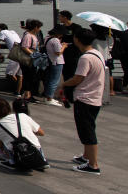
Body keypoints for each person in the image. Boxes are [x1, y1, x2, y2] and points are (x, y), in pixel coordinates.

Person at [59, 27, 105, 175]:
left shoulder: (85, 58)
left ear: (77, 39)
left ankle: (93, 165)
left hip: (85, 99)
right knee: (88, 129)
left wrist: (64, 84)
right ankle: (86, 157)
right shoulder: (97, 53)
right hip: (95, 98)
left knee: (87, 133)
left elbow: (79, 78)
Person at [0, 98, 47, 170]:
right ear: (10, 108)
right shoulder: (23, 116)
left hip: (19, 154)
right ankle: (41, 159)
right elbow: (41, 133)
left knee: (1, 139)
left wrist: (1, 142)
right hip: (35, 151)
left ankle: (12, 162)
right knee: (32, 139)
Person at [18, 20, 42, 103]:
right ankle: (27, 95)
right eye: (39, 27)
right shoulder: (28, 35)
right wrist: (34, 55)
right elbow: (24, 47)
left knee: (31, 77)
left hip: (31, 59)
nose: (39, 29)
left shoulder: (30, 34)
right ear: (35, 27)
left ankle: (28, 94)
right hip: (28, 59)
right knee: (29, 76)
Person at [43, 25, 67, 107]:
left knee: (49, 79)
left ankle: (47, 97)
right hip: (57, 62)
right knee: (54, 81)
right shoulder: (55, 40)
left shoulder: (47, 38)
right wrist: (64, 46)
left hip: (50, 61)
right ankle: (49, 98)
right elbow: (58, 52)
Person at [0, 23, 23, 97]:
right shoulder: (13, 32)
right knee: (20, 75)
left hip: (15, 54)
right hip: (22, 53)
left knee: (9, 74)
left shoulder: (2, 32)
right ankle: (19, 92)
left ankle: (22, 89)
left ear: (0, 29)